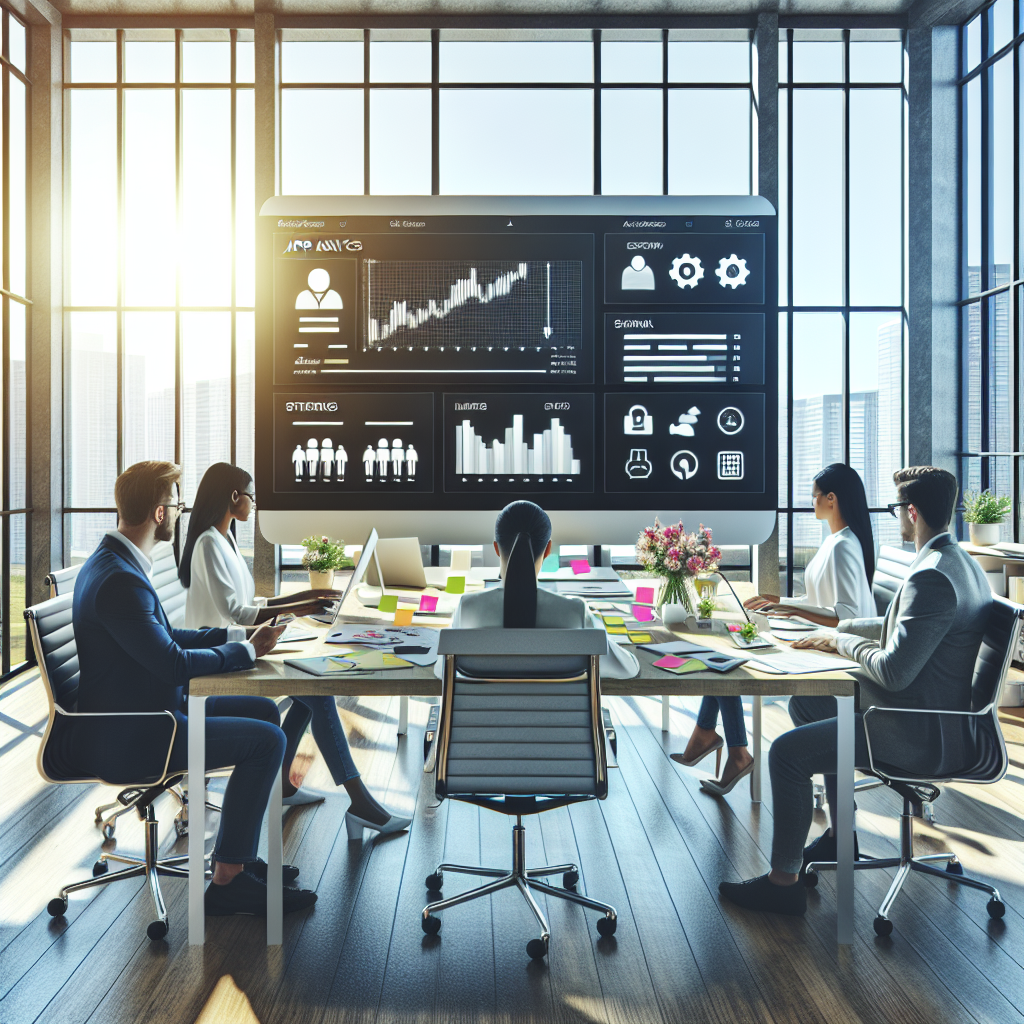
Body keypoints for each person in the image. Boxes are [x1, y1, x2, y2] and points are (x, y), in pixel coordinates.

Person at [719, 466, 992, 916]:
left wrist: (842, 641)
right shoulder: (958, 563)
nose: (895, 519)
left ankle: (782, 884)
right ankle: (837, 836)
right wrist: (836, 630)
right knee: (808, 703)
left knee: (787, 755)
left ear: (912, 511)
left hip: (918, 730)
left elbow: (894, 672)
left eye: (896, 511)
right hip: (935, 716)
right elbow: (894, 626)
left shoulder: (933, 578)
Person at [73, 460, 317, 918]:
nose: (182, 509)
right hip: (139, 730)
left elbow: (166, 639)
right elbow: (172, 664)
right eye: (176, 502)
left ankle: (237, 856)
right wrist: (246, 653)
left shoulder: (118, 562)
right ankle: (228, 882)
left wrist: (239, 639)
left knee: (264, 714)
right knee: (268, 740)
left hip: (147, 710)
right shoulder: (122, 580)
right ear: (160, 513)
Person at [180, 462, 411, 835]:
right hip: (222, 656)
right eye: (251, 496)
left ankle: (288, 787)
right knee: (317, 692)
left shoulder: (225, 538)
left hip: (242, 645)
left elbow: (250, 598)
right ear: (234, 497)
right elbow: (237, 613)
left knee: (312, 686)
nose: (255, 504)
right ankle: (360, 802)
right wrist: (301, 607)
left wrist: (311, 596)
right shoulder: (208, 543)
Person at [671, 463, 877, 795]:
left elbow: (845, 616)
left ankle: (718, 741)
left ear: (832, 499)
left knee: (732, 661)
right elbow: (819, 599)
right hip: (814, 637)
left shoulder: (844, 546)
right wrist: (778, 599)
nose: (811, 503)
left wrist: (787, 607)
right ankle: (718, 740)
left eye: (814, 497)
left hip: (835, 653)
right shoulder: (836, 540)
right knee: (728, 650)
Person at [439, 500, 639, 679]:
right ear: (548, 549)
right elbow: (628, 668)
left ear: (496, 548)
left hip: (484, 720)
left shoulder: (469, 607)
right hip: (559, 721)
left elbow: (441, 671)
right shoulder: (573, 612)